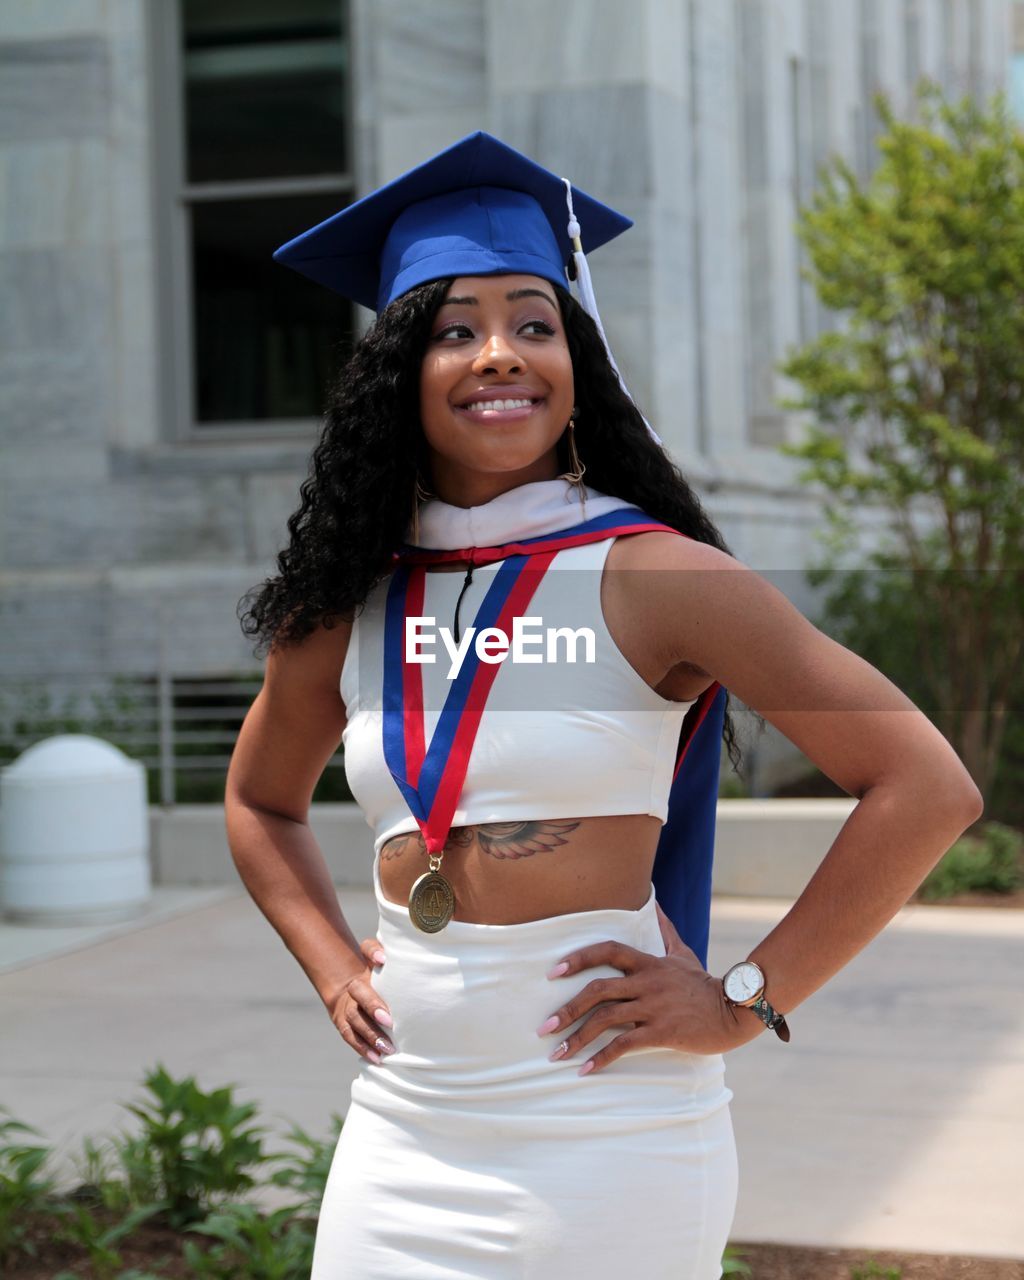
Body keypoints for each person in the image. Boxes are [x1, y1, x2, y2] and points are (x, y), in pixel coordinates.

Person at [225, 132, 983, 1279]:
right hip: (406, 1125)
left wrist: (742, 998)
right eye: (455, 328)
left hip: (607, 1125)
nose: (499, 354)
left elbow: (926, 785)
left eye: (535, 323)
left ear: (577, 357)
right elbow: (257, 800)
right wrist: (333, 961)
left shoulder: (653, 575)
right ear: (398, 374)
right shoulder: (351, 599)